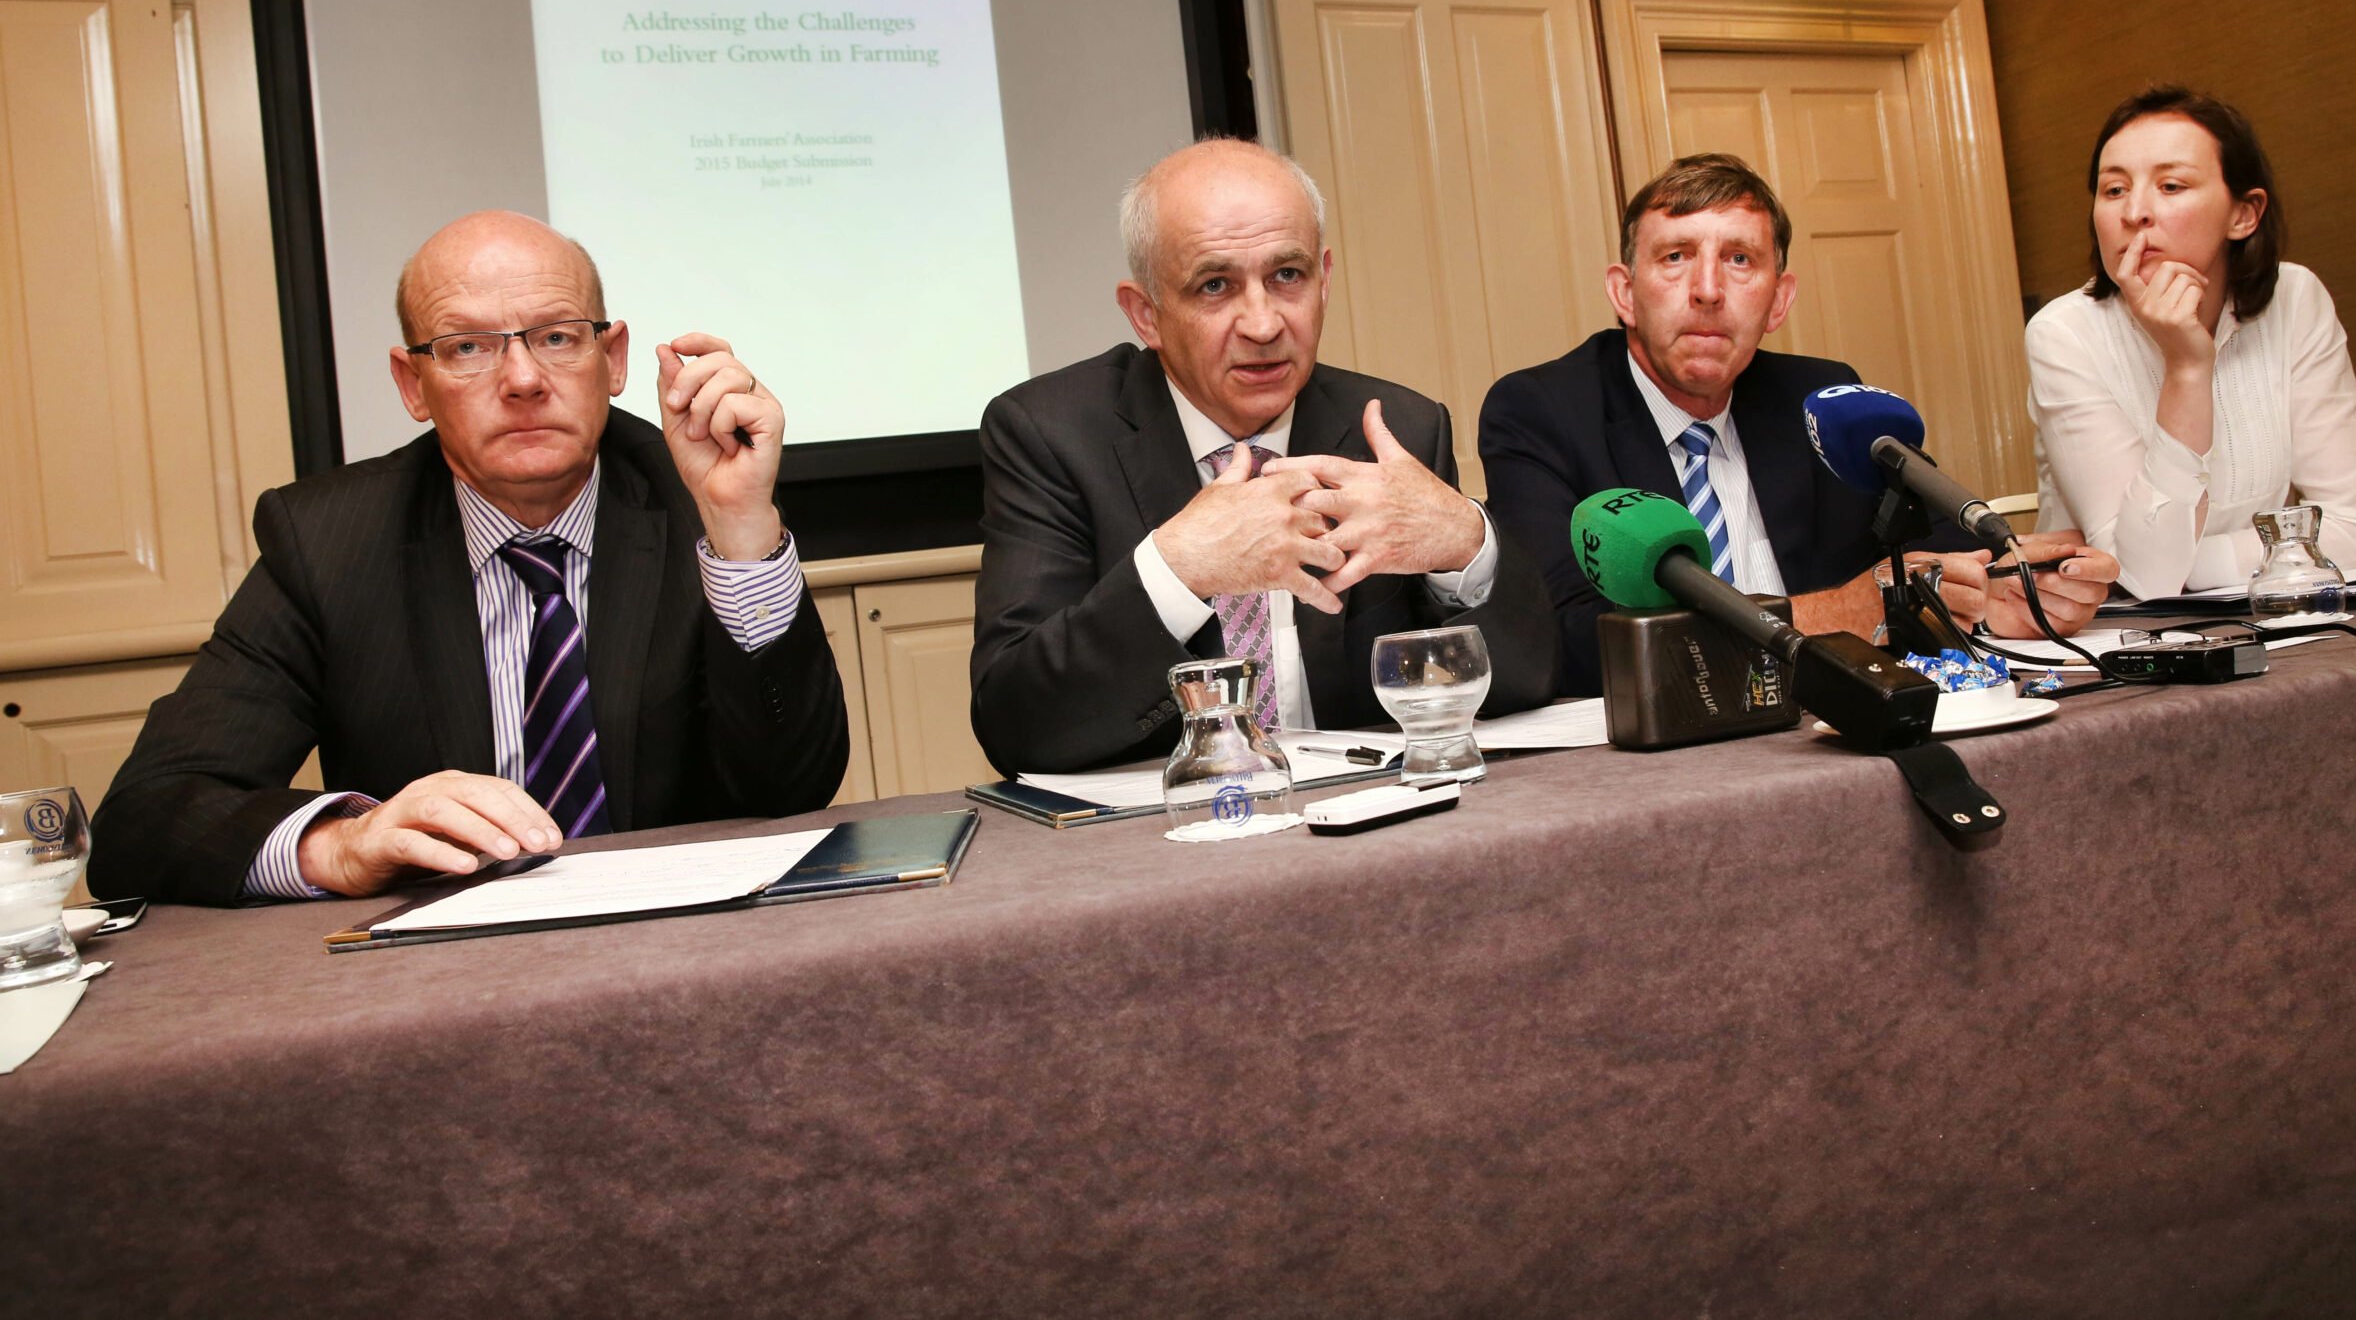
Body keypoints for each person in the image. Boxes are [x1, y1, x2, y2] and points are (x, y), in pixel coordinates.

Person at [89, 211, 850, 906]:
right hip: (446, 972)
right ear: (412, 384)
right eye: (467, 348)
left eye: (557, 337)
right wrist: (343, 844)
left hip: (689, 945)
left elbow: (793, 788)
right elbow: (144, 818)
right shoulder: (328, 542)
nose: (522, 380)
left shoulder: (702, 497)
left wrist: (741, 532)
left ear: (612, 358)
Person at [970, 138, 1559, 774]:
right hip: (1167, 826)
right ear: (1146, 315)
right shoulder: (1052, 434)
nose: (1263, 324)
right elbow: (1016, 724)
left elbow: (1525, 686)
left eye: (1287, 276)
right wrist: (1178, 569)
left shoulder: (1397, 429)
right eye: (1215, 285)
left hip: (1362, 813)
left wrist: (1465, 543)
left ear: (1324, 280)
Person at [1480, 153, 2119, 697]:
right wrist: (1838, 613)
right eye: (1675, 256)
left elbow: (1934, 550)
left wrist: (1999, 590)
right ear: (1625, 292)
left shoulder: (1821, 400)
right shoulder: (1542, 413)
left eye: (1739, 259)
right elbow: (1559, 642)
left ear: (1779, 300)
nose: (1707, 289)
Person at [2026, 87, 2356, 599]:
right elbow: (2144, 580)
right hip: (2121, 631)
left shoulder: (2295, 298)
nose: (2135, 212)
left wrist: (2189, 566)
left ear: (2243, 214)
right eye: (2114, 190)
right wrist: (2187, 369)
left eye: (2171, 186)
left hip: (2273, 616)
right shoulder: (2064, 333)